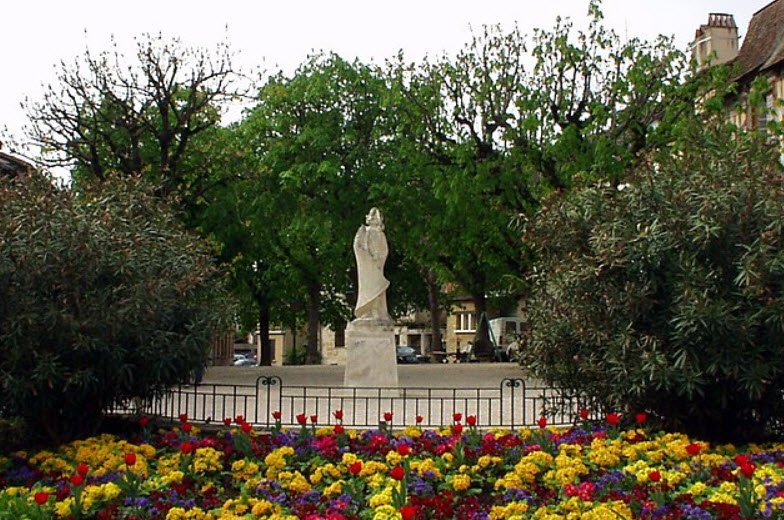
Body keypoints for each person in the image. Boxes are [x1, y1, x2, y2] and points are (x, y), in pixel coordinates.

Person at [353, 208, 391, 322]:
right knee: (367, 288)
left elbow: (385, 250)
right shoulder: (364, 231)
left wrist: (378, 259)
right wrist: (366, 256)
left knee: (378, 288)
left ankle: (377, 311)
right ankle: (367, 311)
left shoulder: (380, 234)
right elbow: (357, 246)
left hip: (377, 265)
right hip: (366, 266)